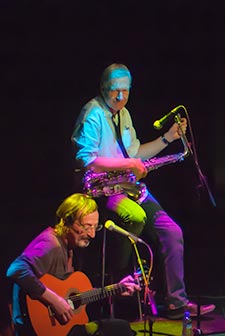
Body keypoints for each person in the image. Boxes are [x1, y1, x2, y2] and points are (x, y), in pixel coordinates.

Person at [6, 193, 175, 336]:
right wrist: (54, 300)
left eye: (95, 227)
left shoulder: (68, 246)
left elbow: (78, 295)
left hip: (59, 331)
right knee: (119, 333)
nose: (92, 234)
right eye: (86, 227)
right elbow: (15, 269)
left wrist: (117, 289)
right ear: (66, 222)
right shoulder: (49, 243)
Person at [71, 63, 214, 320]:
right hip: (102, 190)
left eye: (125, 91)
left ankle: (175, 303)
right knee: (135, 216)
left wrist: (167, 139)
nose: (120, 97)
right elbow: (86, 159)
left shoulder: (123, 114)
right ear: (104, 88)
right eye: (115, 91)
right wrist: (129, 164)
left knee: (171, 231)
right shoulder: (92, 113)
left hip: (128, 186)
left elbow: (135, 153)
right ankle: (120, 283)